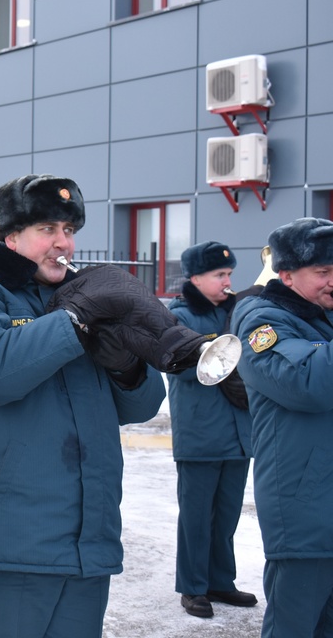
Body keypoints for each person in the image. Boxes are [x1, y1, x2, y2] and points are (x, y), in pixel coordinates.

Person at [0, 174, 166, 638]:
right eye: (47, 230)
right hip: (12, 542)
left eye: (69, 230)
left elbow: (145, 405)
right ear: (10, 236)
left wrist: (127, 367)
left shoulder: (82, 300)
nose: (63, 243)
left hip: (88, 542)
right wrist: (74, 321)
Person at [230, 217, 333, 638]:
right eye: (324, 272)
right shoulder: (260, 320)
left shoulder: (323, 315)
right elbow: (308, 384)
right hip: (305, 504)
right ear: (286, 274)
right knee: (295, 624)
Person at [167, 241, 257, 619]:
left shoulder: (237, 310)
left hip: (237, 433)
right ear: (196, 278)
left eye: (229, 274)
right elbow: (179, 363)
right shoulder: (179, 315)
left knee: (227, 515)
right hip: (201, 433)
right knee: (197, 516)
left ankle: (221, 581)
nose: (227, 281)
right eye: (219, 275)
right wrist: (219, 351)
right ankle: (193, 587)